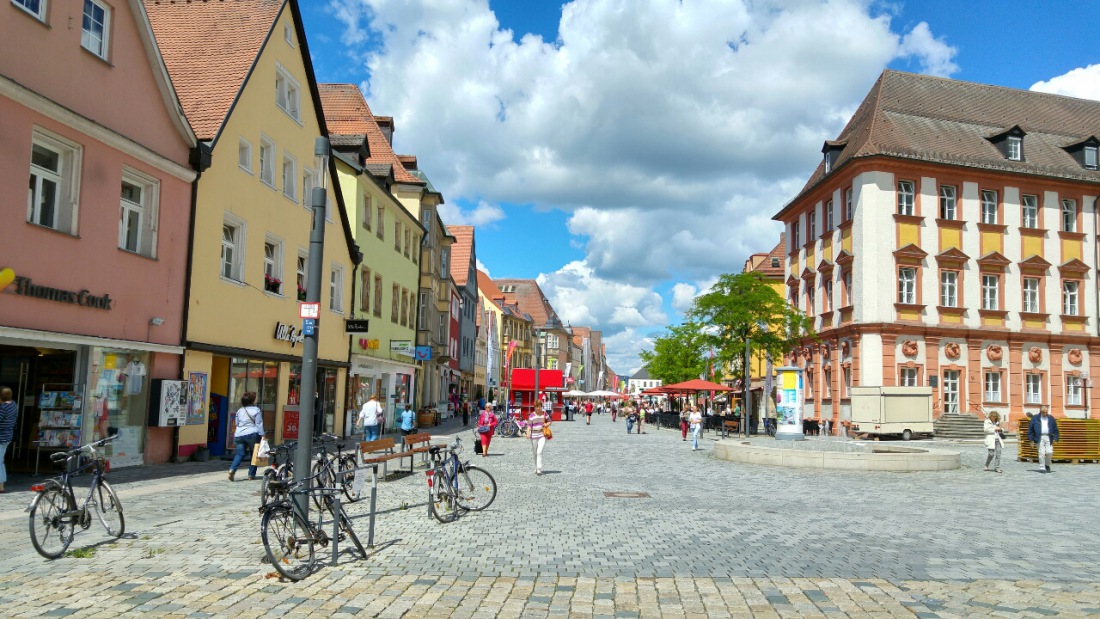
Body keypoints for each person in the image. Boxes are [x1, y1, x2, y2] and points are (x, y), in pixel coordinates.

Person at [229, 392, 264, 481]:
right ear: (252, 401)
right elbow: (258, 423)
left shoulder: (240, 410)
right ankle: (251, 475)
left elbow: (236, 423)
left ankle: (232, 469)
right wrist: (262, 434)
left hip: (239, 434)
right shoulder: (256, 410)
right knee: (254, 453)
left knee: (240, 453)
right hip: (252, 433)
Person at [1027, 405, 1060, 473]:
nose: (1045, 414)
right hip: (1039, 437)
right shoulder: (1035, 418)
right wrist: (1031, 439)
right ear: (1040, 411)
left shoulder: (1051, 418)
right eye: (1043, 412)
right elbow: (1030, 429)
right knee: (1041, 452)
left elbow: (1055, 429)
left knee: (1049, 452)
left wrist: (1056, 437)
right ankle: (1042, 467)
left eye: (1046, 412)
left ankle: (1047, 465)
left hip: (1048, 437)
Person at [0, 386, 17, 493]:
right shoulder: (13, 405)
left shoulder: (3, 408)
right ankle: (1, 485)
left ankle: (1, 485)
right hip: (7, 436)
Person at [526, 403, 549, 475]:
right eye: (537, 407)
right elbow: (529, 426)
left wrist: (546, 424)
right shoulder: (532, 415)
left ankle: (539, 468)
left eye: (540, 407)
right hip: (534, 435)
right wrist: (528, 433)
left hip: (542, 435)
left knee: (539, 451)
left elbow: (549, 421)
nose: (538, 408)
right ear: (535, 407)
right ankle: (536, 467)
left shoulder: (544, 413)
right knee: (535, 453)